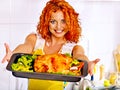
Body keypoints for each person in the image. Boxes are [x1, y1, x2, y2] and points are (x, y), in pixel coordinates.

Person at [2, 0, 100, 90]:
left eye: (63, 21)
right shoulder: (35, 39)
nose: (58, 26)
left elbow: (80, 56)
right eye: (53, 21)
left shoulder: (73, 48)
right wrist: (14, 54)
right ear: (46, 22)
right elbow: (26, 47)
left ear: (70, 23)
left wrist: (87, 63)